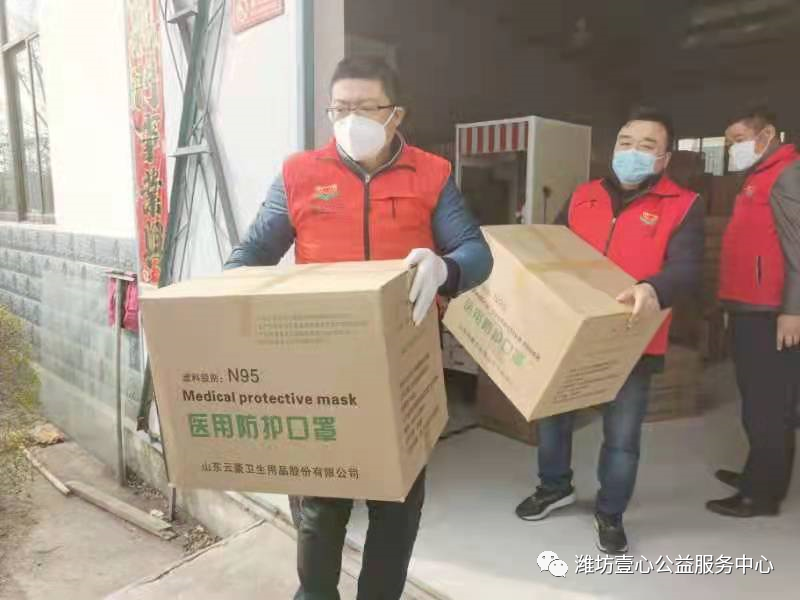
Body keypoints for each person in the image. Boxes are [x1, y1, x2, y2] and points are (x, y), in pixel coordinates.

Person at [224, 56, 492, 600]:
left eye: (366, 107)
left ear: (396, 114)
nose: (351, 119)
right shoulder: (300, 174)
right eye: (341, 108)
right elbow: (252, 253)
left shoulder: (432, 174)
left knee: (398, 503)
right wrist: (234, 298)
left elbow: (476, 251)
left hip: (403, 364)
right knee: (321, 505)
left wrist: (446, 268)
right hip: (321, 365)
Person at [514, 107, 704, 554]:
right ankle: (554, 486)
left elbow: (688, 268)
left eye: (647, 146)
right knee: (554, 418)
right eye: (625, 142)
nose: (632, 152)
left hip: (633, 338)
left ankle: (610, 511)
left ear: (664, 158)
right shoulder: (584, 196)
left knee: (622, 436)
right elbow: (553, 250)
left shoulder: (684, 205)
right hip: (572, 331)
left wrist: (653, 288)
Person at [707, 107, 800, 518]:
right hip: (749, 306)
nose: (733, 148)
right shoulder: (758, 174)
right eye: (729, 142)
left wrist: (793, 311)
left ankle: (762, 495)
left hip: (772, 312)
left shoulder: (788, 173)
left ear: (766, 135)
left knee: (768, 407)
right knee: (756, 402)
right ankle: (756, 473)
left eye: (738, 140)